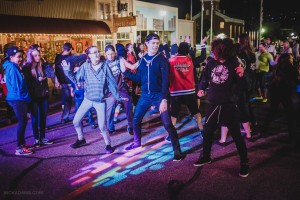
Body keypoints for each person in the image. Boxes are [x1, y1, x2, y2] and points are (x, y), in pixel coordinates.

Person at [119, 33, 185, 161]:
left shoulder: (162, 60)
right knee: (136, 120)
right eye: (153, 43)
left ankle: (177, 151)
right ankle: (137, 143)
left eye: (157, 43)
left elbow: (166, 82)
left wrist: (165, 99)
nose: (155, 45)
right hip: (145, 96)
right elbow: (139, 78)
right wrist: (125, 72)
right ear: (147, 44)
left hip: (159, 95)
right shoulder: (143, 60)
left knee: (167, 123)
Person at [193, 38, 250, 178]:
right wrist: (200, 88)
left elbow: (246, 88)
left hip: (229, 105)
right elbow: (204, 79)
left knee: (237, 135)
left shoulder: (235, 64)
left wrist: (242, 76)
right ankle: (206, 156)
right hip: (213, 104)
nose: (218, 58)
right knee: (207, 132)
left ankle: (244, 163)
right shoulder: (211, 62)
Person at [62, 46, 126, 154]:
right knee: (76, 121)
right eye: (94, 53)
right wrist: (67, 70)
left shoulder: (105, 66)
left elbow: (111, 83)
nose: (97, 54)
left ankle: (108, 145)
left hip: (100, 101)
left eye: (97, 52)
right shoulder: (85, 66)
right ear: (89, 55)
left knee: (102, 126)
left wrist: (117, 97)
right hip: (88, 100)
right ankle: (81, 139)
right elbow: (76, 79)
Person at [219, 33, 257, 145]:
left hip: (234, 83)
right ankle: (249, 133)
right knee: (244, 107)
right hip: (246, 81)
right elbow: (252, 68)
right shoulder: (251, 53)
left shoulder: (234, 53)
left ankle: (223, 138)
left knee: (227, 110)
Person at [168, 42, 204, 140]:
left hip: (176, 91)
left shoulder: (171, 60)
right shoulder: (190, 60)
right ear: (187, 51)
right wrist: (203, 45)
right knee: (196, 112)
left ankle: (171, 135)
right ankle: (202, 130)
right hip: (189, 91)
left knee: (174, 114)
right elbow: (202, 58)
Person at [2, 46, 33, 155]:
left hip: (17, 98)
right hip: (18, 99)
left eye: (21, 57)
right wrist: (25, 97)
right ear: (11, 57)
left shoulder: (12, 66)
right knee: (22, 122)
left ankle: (22, 144)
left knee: (23, 121)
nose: (20, 59)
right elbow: (17, 86)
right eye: (18, 57)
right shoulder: (13, 68)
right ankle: (19, 148)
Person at [261, 53, 299, 140]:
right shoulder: (291, 68)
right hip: (285, 92)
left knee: (272, 111)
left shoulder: (277, 67)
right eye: (291, 57)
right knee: (290, 113)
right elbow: (297, 81)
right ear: (288, 59)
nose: (292, 59)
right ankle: (292, 135)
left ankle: (264, 130)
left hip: (275, 91)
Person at [23, 47, 54, 147]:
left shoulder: (43, 65)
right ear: (31, 56)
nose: (38, 57)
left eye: (39, 55)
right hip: (34, 96)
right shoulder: (27, 67)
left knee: (43, 117)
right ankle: (36, 139)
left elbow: (51, 74)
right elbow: (27, 83)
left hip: (43, 94)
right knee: (35, 118)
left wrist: (46, 62)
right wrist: (37, 81)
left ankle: (43, 138)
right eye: (35, 55)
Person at [104, 44, 133, 135]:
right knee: (111, 110)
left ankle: (130, 126)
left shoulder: (119, 59)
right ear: (105, 54)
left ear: (115, 53)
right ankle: (111, 128)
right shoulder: (104, 64)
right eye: (108, 54)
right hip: (111, 91)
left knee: (128, 106)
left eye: (112, 54)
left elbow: (128, 67)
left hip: (122, 87)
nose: (110, 56)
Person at [54, 42, 87, 123]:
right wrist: (77, 54)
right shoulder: (70, 58)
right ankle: (79, 117)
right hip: (70, 81)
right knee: (77, 99)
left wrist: (56, 80)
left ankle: (64, 117)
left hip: (62, 81)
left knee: (67, 100)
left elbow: (55, 70)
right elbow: (84, 56)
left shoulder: (57, 57)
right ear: (70, 49)